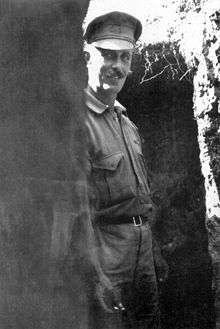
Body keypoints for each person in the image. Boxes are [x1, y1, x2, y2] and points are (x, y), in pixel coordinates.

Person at [84, 11, 161, 329]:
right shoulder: (76, 123)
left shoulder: (127, 123)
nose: (117, 66)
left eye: (124, 57)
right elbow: (75, 211)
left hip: (142, 248)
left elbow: (141, 194)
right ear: (87, 57)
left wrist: (152, 249)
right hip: (105, 252)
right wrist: (94, 273)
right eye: (108, 56)